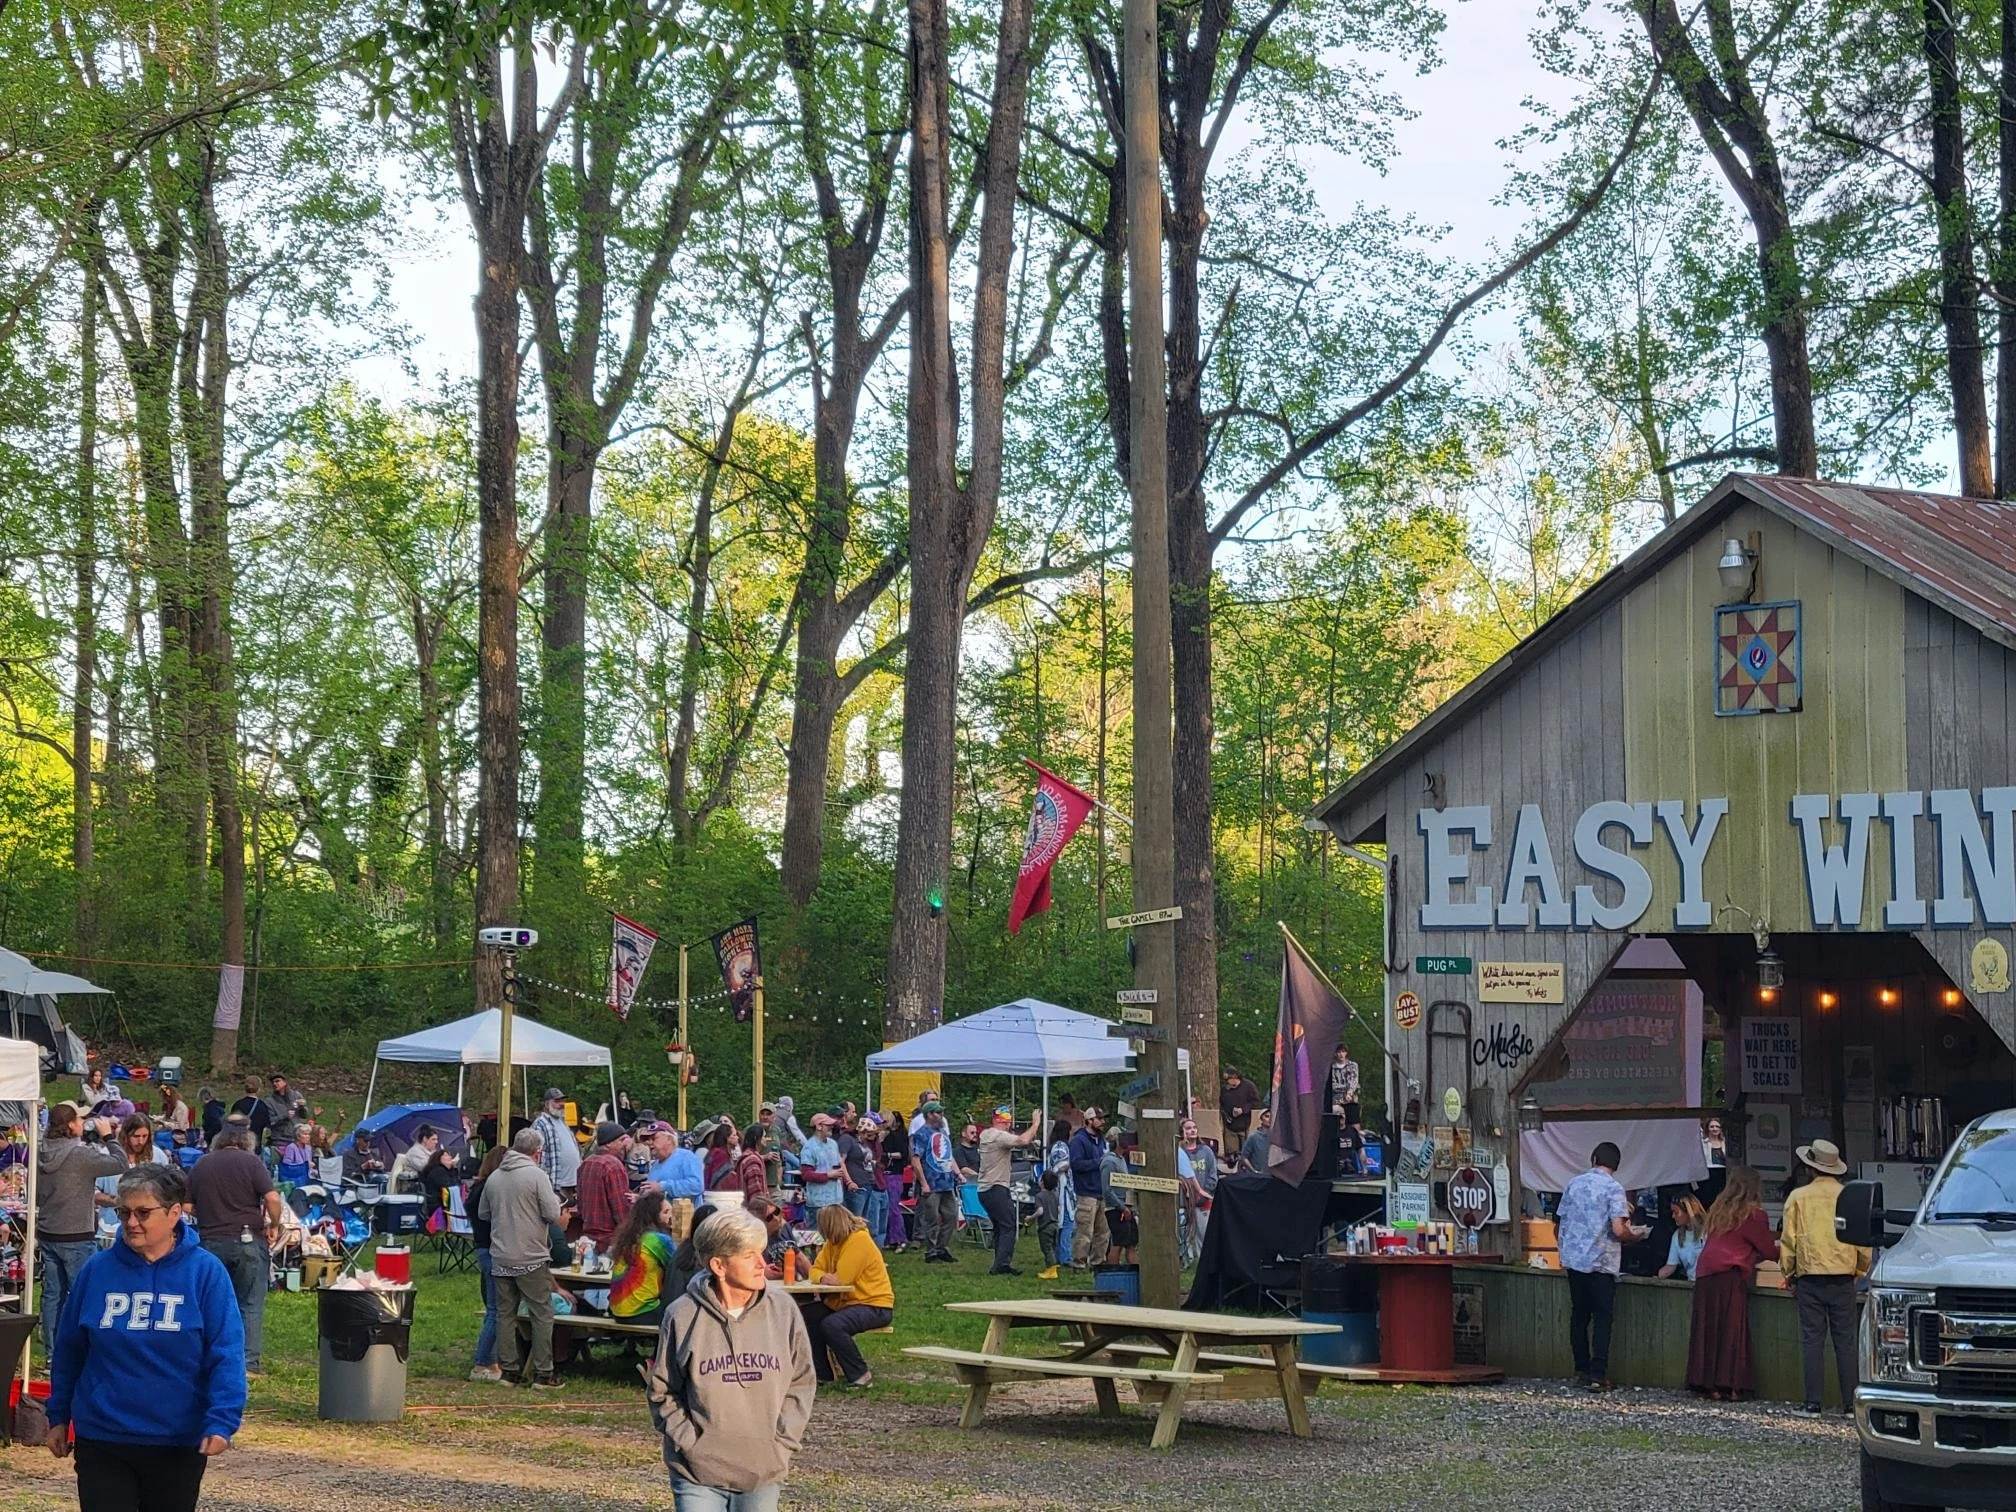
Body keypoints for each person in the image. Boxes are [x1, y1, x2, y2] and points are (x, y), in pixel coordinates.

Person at [44, 1164, 246, 1512]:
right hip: (104, 1436)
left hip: (175, 1440)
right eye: (124, 1213)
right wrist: (58, 1415)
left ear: (174, 1214)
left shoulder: (205, 1273)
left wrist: (222, 1419)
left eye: (142, 1213)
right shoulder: (97, 1270)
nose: (131, 1223)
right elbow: (69, 1349)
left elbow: (225, 1352)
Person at [645, 1207, 815, 1512]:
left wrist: (781, 1444)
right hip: (697, 1474)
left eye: (761, 1253)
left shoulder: (784, 1311)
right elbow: (663, 1392)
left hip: (762, 1470)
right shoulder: (682, 1315)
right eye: (749, 1255)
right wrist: (692, 1444)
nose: (763, 1263)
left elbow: (801, 1381)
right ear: (719, 1265)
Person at [185, 1124, 283, 1377]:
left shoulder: (201, 1165)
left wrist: (208, 1212)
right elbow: (272, 1198)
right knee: (249, 1303)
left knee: (209, 1303)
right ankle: (248, 1364)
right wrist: (274, 1224)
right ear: (246, 1144)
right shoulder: (252, 1163)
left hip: (210, 1242)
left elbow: (186, 1206)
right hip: (247, 1239)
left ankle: (209, 1359)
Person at [1779, 1138, 1869, 1415]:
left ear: (1810, 1168)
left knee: (1812, 1340)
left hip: (1810, 1276)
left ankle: (1813, 1403)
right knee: (1846, 1341)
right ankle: (1850, 1405)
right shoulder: (1849, 1196)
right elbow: (1863, 1241)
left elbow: (1789, 1240)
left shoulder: (1798, 1197)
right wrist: (1860, 1270)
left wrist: (1789, 1273)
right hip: (1843, 1276)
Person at [1554, 1141, 1649, 1391]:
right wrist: (1636, 1236)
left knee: (1579, 1315)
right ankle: (1598, 1375)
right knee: (1602, 1318)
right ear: (1617, 1165)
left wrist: (1564, 1251)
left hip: (1574, 1260)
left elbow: (1560, 1222)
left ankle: (1581, 1370)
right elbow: (1618, 1229)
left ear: (1593, 1158)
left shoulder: (1573, 1184)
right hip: (1601, 1262)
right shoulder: (1614, 1188)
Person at [39, 1106, 136, 1342]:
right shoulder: (80, 1156)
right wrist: (108, 1135)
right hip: (76, 1234)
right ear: (71, 1125)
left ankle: (53, 1348)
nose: (84, 1122)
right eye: (80, 1118)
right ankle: (83, 1342)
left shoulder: (41, 1151)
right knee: (84, 1291)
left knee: (53, 1294)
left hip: (48, 1231)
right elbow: (120, 1164)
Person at [479, 1127, 563, 1389]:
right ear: (537, 1152)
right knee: (541, 1313)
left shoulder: (494, 1178)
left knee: (506, 1313)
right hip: (531, 1256)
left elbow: (484, 1213)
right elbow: (552, 1213)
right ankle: (543, 1372)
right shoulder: (537, 1176)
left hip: (501, 1256)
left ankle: (509, 1371)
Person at [1686, 1166, 1777, 1400]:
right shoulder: (1754, 1215)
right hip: (1730, 1274)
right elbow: (1767, 1249)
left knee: (1708, 1328)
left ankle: (1706, 1382)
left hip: (1706, 1272)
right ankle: (1731, 1384)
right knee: (1731, 1330)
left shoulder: (1718, 1210)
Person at [799, 1204, 894, 1388]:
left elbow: (841, 1280)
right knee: (809, 1314)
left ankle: (860, 1374)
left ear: (831, 1225)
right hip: (846, 1303)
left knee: (833, 1324)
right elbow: (815, 1270)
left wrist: (827, 1277)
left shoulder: (859, 1240)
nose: (822, 1231)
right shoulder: (832, 1243)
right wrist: (823, 1276)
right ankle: (823, 1374)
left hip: (874, 1305)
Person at [976, 1104, 1041, 1275]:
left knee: (1000, 1226)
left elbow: (1015, 1142)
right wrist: (1035, 1123)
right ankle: (1002, 1265)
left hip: (985, 1189)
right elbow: (1022, 1141)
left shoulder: (986, 1135)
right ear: (1002, 1122)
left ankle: (999, 1263)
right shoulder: (999, 1136)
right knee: (1009, 1224)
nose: (1009, 1126)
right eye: (1007, 1123)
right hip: (996, 1187)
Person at [466, 1146, 509, 1382]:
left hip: (483, 1248)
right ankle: (482, 1362)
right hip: (492, 1249)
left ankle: (490, 1359)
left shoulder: (477, 1189)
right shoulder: (490, 1190)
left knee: (493, 1308)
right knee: (496, 1309)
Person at [94, 1114, 171, 1244]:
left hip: (149, 1230)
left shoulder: (158, 1156)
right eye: (136, 1136)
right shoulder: (107, 1155)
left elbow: (169, 1190)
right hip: (111, 1228)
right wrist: (115, 1201)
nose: (140, 1141)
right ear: (126, 1135)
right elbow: (92, 1192)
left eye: (144, 1136)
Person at [609, 1190, 681, 1327]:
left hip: (617, 1310)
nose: (671, 1217)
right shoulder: (658, 1240)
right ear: (653, 1217)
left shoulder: (629, 1237)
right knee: (681, 1311)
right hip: (642, 1311)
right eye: (666, 1212)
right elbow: (679, 1264)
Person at [908, 1101, 960, 1263]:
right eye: (938, 1113)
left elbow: (948, 1156)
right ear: (929, 1114)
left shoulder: (943, 1132)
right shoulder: (921, 1134)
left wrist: (957, 1173)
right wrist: (923, 1183)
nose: (941, 1115)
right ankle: (931, 1252)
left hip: (946, 1181)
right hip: (931, 1182)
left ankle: (942, 1248)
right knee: (931, 1219)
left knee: (951, 1215)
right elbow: (915, 1160)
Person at [576, 1122, 635, 1248]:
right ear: (608, 1143)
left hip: (588, 1240)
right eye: (620, 1140)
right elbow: (621, 1210)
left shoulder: (585, 1163)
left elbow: (580, 1207)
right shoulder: (613, 1165)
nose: (623, 1145)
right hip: (610, 1240)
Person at [1067, 1107, 1110, 1269]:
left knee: (1103, 1232)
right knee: (1085, 1231)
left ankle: (1098, 1262)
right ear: (1089, 1120)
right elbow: (1076, 1164)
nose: (1103, 1122)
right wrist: (1099, 1162)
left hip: (1102, 1191)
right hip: (1086, 1193)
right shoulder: (1079, 1140)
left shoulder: (1102, 1140)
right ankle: (1079, 1263)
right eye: (1100, 1119)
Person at [1043, 1118, 1076, 1281]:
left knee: (1062, 1224)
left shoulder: (1055, 1146)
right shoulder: (1061, 1147)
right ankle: (1065, 1257)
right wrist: (1068, 1164)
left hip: (1062, 1189)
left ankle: (1059, 1255)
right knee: (1067, 1224)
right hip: (1062, 1190)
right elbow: (1059, 1166)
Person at [798, 1114, 843, 1226]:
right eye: (828, 1125)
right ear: (819, 1126)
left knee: (835, 1236)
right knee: (818, 1237)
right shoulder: (809, 1147)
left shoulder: (833, 1144)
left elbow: (837, 1165)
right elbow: (806, 1175)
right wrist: (828, 1175)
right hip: (818, 1203)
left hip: (836, 1200)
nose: (831, 1127)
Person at [534, 1089, 582, 1196]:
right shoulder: (540, 1124)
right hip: (557, 1185)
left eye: (562, 1101)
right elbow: (538, 1156)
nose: (561, 1104)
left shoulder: (563, 1122)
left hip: (573, 1183)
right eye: (556, 1102)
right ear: (547, 1104)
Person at [645, 1121, 705, 1203]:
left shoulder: (686, 1157)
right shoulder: (655, 1165)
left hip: (686, 1215)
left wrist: (662, 1187)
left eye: (653, 1138)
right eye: (648, 1140)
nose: (649, 1143)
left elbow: (696, 1186)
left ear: (669, 1139)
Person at [1101, 1130, 1137, 1263]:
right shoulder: (1109, 1162)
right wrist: (1122, 1208)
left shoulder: (1121, 1159)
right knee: (1118, 1243)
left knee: (1131, 1242)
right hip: (1116, 1209)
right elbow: (1107, 1190)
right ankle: (1113, 1272)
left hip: (1126, 1207)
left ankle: (1134, 1272)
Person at [1657, 1194, 1709, 1280]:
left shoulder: (1709, 1231)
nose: (1673, 1216)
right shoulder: (1677, 1236)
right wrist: (1659, 1275)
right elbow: (1671, 1266)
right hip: (1691, 1284)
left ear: (1688, 1211)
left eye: (1676, 1212)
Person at [837, 1116, 874, 1219]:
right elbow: (841, 1161)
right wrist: (849, 1181)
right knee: (855, 1220)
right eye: (867, 1134)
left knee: (864, 1220)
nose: (869, 1137)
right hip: (856, 1185)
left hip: (868, 1183)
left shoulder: (863, 1143)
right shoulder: (847, 1139)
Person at [260, 1074, 311, 1147]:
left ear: (285, 1082)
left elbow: (304, 1116)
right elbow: (269, 1122)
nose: (275, 1084)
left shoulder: (296, 1095)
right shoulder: (269, 1101)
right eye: (273, 1082)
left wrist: (303, 1107)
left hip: (297, 1138)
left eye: (277, 1081)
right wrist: (284, 1116)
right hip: (280, 1140)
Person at [390, 1125, 441, 1195]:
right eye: (433, 1139)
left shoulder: (432, 1151)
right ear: (425, 1139)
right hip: (415, 1188)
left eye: (436, 1139)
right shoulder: (415, 1152)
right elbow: (426, 1168)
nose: (436, 1142)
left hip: (427, 1185)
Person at [1219, 1065, 1260, 1144]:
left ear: (1235, 1077)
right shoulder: (1225, 1089)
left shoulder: (1248, 1086)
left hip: (1246, 1125)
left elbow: (1255, 1102)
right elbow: (1222, 1104)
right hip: (1230, 1126)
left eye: (1228, 1079)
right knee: (1231, 1151)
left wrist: (1243, 1110)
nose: (1226, 1082)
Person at [226, 1077, 270, 1147]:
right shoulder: (262, 1105)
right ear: (259, 1089)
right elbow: (266, 1125)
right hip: (255, 1144)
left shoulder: (238, 1104)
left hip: (239, 1143)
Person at [1034, 1170, 1062, 1271]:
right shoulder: (1055, 1195)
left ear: (1042, 1182)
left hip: (1045, 1227)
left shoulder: (1039, 1196)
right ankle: (1053, 1265)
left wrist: (1031, 1218)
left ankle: (1051, 1269)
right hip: (1055, 1225)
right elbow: (1059, 1210)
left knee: (1047, 1249)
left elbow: (1040, 1211)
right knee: (1053, 1247)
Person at [1328, 1044, 1361, 1129]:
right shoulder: (1331, 1068)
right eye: (1339, 1052)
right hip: (1337, 1100)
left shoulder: (1353, 1065)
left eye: (1343, 1051)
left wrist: (1349, 1092)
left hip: (1351, 1099)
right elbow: (1333, 1085)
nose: (1341, 1054)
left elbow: (1354, 1081)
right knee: (1336, 1120)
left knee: (1354, 1122)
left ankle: (1356, 1140)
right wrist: (1346, 1088)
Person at [1240, 1106, 1272, 1173]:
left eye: (1271, 1116)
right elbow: (1244, 1157)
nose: (1270, 1119)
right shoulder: (1253, 1137)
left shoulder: (1276, 1137)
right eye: (1267, 1116)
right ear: (1261, 1118)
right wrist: (1254, 1171)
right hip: (1258, 1176)